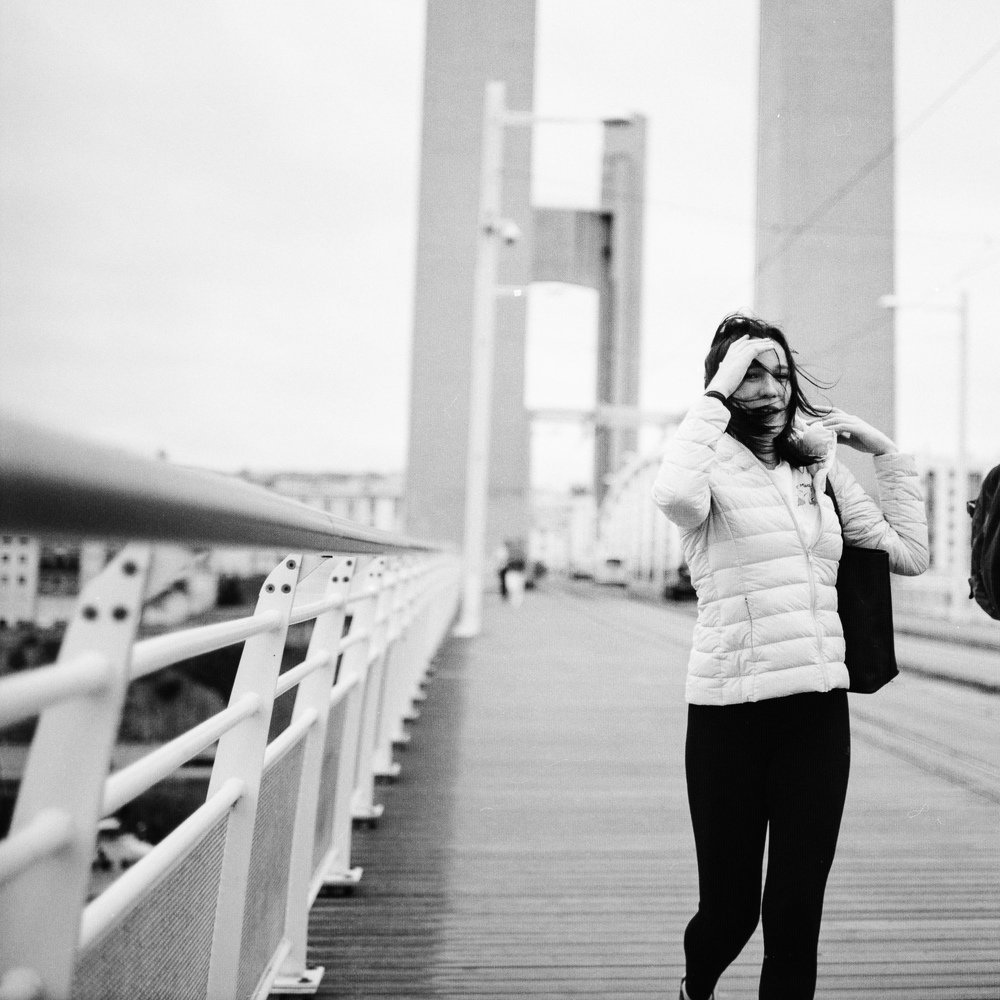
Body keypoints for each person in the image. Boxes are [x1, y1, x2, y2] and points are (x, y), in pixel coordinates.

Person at [651, 313, 928, 1000]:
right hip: (728, 716)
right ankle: (698, 983)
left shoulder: (819, 470)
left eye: (780, 373)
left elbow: (910, 555)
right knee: (730, 912)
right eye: (752, 374)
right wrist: (715, 391)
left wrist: (884, 450)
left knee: (796, 911)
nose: (772, 389)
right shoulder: (705, 468)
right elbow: (672, 496)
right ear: (721, 385)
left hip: (816, 715)